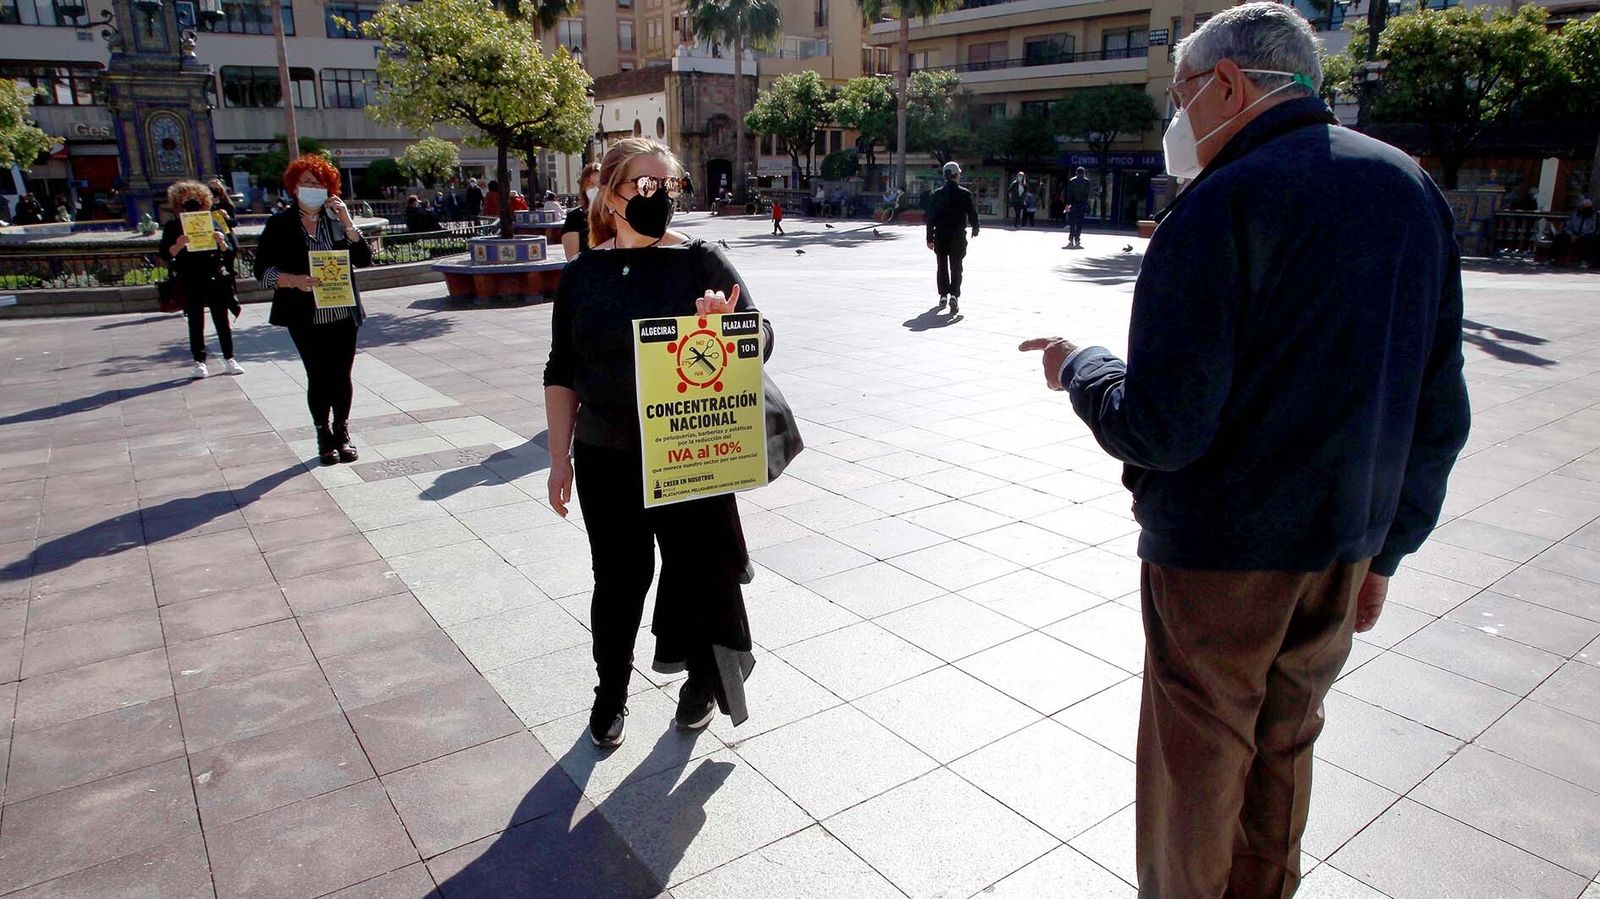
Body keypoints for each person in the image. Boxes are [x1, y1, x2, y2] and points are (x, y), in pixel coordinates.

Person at [1017, 6, 1469, 896]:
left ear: (1227, 83)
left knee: (1199, 760)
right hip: (1345, 543)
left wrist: (1084, 367)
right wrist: (1390, 548)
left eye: (1183, 94)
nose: (1178, 120)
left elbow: (1163, 425)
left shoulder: (1222, 202)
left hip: (1223, 557)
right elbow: (1438, 403)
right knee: (1288, 742)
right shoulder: (1410, 190)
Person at [543, 136, 769, 749]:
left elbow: (761, 337)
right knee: (618, 580)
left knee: (698, 574)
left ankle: (700, 684)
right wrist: (558, 458)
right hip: (605, 457)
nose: (658, 197)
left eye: (668, 187)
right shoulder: (582, 277)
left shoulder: (701, 261)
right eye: (644, 185)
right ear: (610, 194)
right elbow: (561, 369)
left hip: (689, 451)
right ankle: (609, 693)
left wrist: (725, 324)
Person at [255, 155, 374, 466]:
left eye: (319, 184)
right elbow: (262, 270)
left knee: (342, 374)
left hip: (342, 310)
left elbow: (364, 259)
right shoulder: (280, 223)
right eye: (307, 183)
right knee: (318, 375)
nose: (313, 189)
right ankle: (323, 434)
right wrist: (291, 280)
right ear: (295, 187)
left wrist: (349, 222)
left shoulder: (336, 219)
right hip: (305, 313)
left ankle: (342, 431)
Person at [160, 180, 241, 379]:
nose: (191, 202)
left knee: (221, 320)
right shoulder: (173, 226)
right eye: (186, 199)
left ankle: (230, 358)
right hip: (190, 278)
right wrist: (178, 246)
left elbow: (231, 250)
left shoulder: (213, 221)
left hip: (214, 277)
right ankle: (199, 362)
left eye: (195, 198)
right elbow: (165, 254)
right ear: (179, 202)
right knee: (196, 322)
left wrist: (222, 242)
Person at [926, 160, 979, 315]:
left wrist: (929, 238)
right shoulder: (965, 193)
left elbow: (931, 218)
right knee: (956, 266)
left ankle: (943, 295)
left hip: (941, 236)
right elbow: (972, 214)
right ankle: (954, 295)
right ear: (956, 175)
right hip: (957, 236)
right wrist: (975, 228)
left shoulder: (936, 194)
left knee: (941, 265)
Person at [562, 162, 601, 258]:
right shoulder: (574, 217)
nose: (596, 189)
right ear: (583, 187)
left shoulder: (614, 215)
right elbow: (572, 259)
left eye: (599, 184)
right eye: (591, 184)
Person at [1553, 196, 1598, 269]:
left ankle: (1584, 261)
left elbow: (1593, 228)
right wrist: (1572, 235)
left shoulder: (1594, 215)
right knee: (1560, 236)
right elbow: (1568, 226)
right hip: (1574, 234)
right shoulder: (1575, 214)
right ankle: (1554, 258)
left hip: (1586, 235)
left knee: (1589, 239)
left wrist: (1581, 236)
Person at [1064, 166, 1092, 249]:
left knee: (1072, 223)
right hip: (1082, 204)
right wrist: (1087, 204)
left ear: (1076, 172)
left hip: (1073, 204)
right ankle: (1077, 239)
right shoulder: (1087, 181)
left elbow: (1069, 194)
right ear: (1084, 173)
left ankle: (1071, 239)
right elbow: (1087, 195)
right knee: (1079, 223)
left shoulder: (1072, 181)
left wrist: (1068, 204)